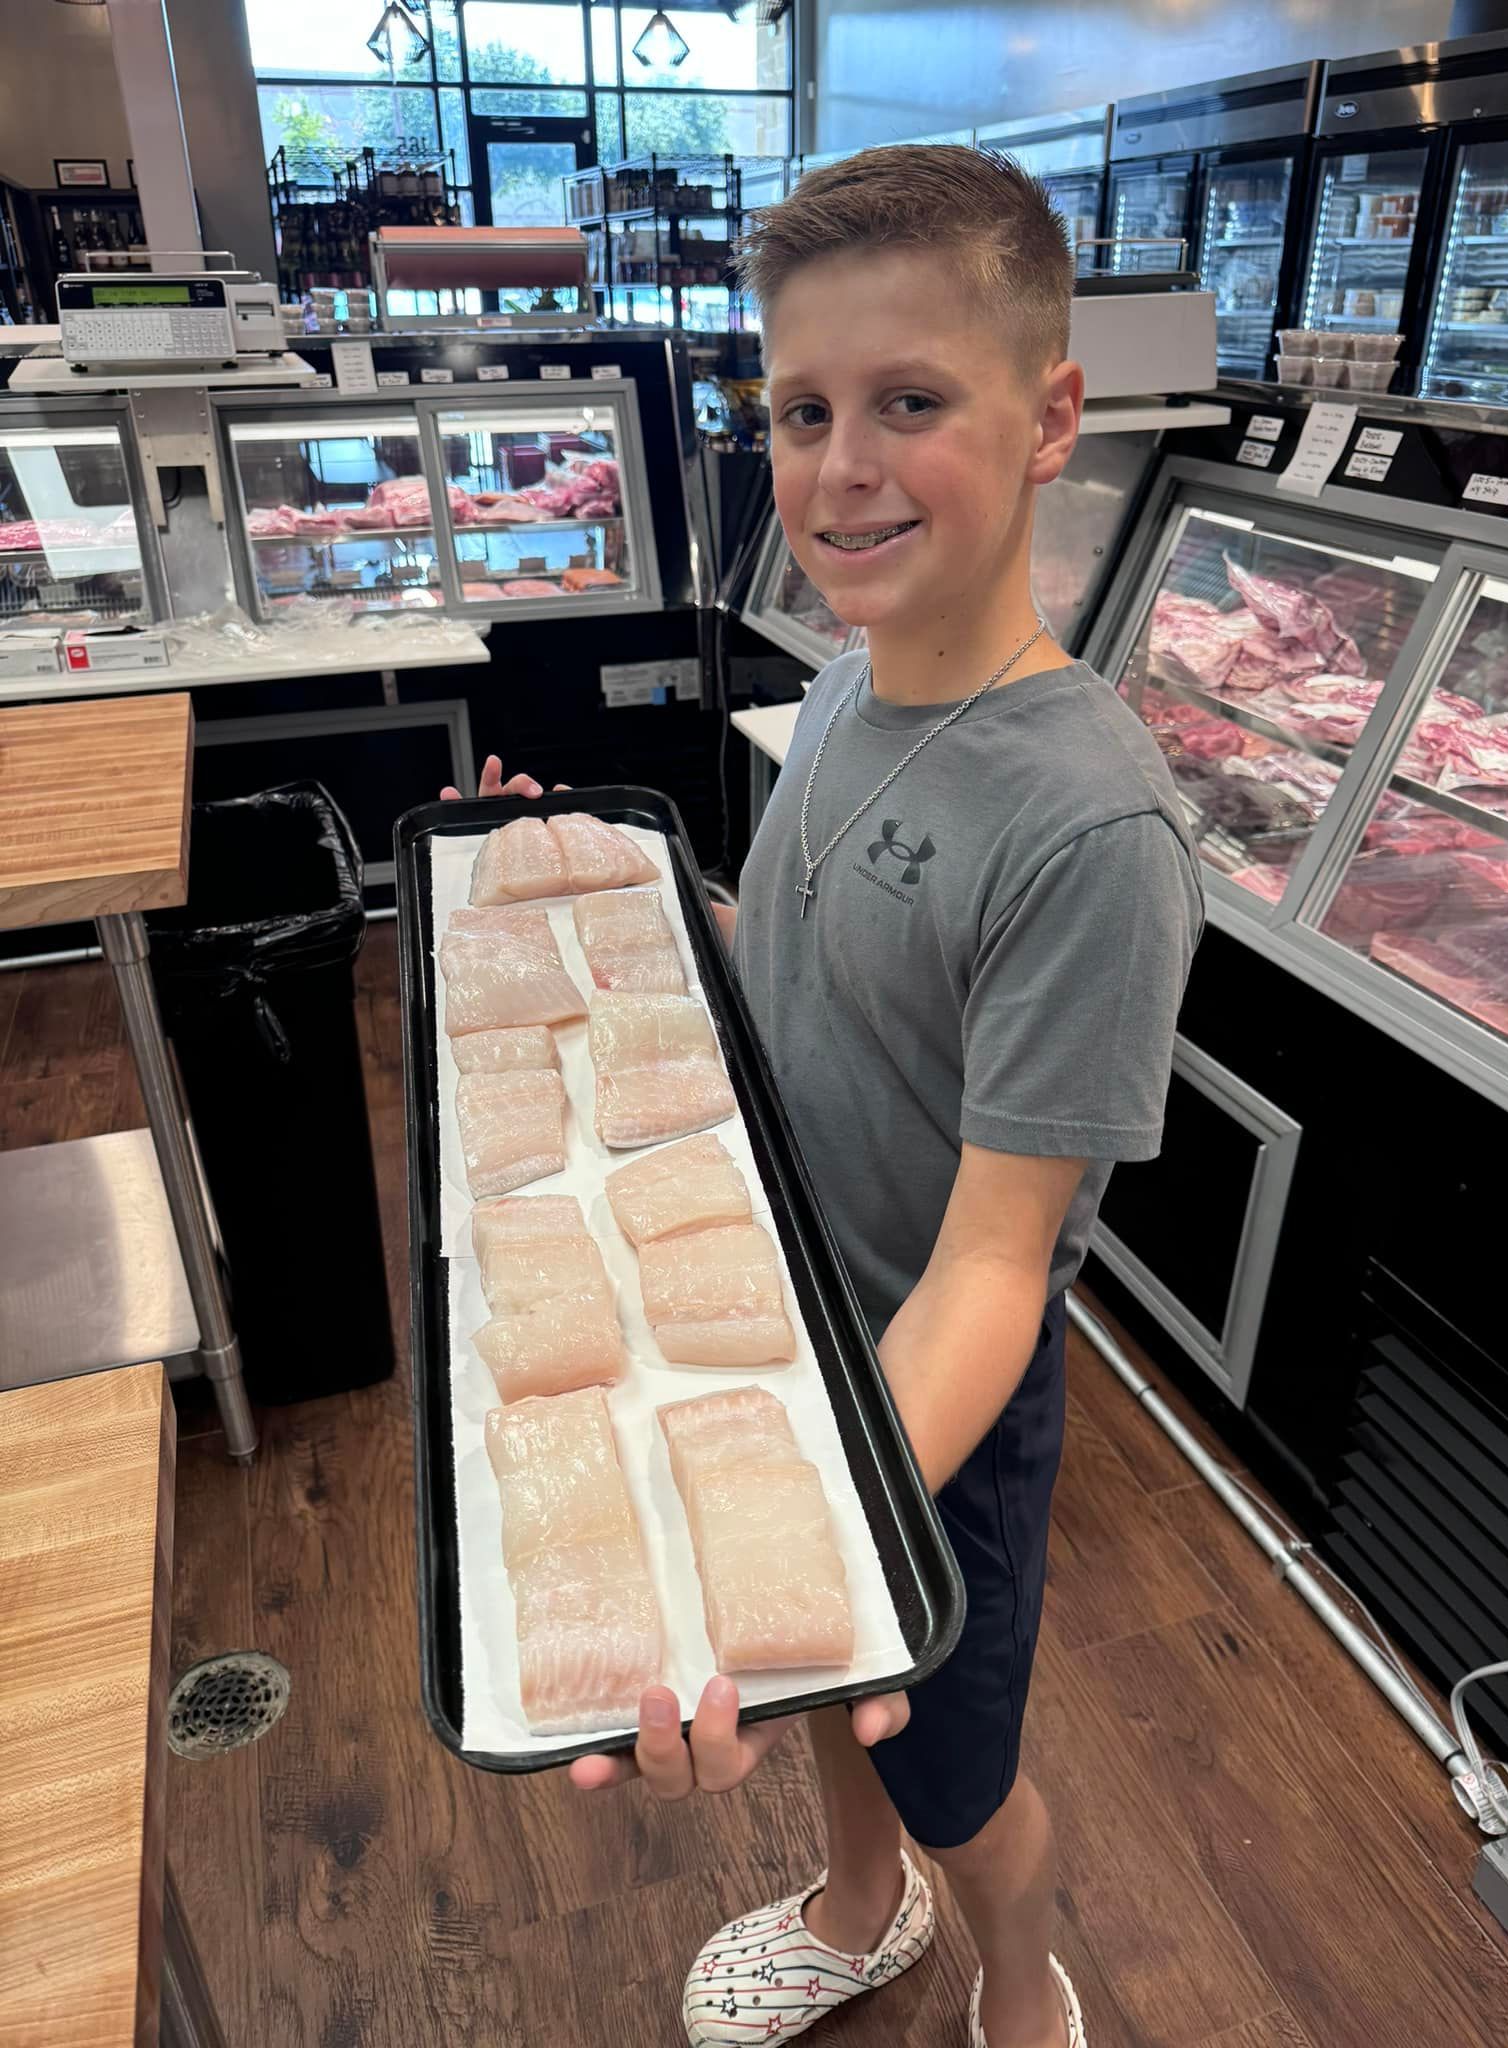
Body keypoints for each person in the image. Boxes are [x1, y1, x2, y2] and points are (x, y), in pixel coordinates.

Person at [442, 145, 1202, 2048]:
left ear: (1051, 418)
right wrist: (635, 903)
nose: (842, 465)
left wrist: (822, 1508)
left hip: (927, 1383)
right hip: (773, 1324)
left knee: (958, 1766)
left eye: (911, 404)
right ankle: (859, 1914)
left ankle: (1020, 1980)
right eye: (802, 411)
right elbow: (812, 971)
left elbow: (997, 1269)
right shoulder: (858, 681)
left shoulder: (1089, 829)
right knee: (820, 1703)